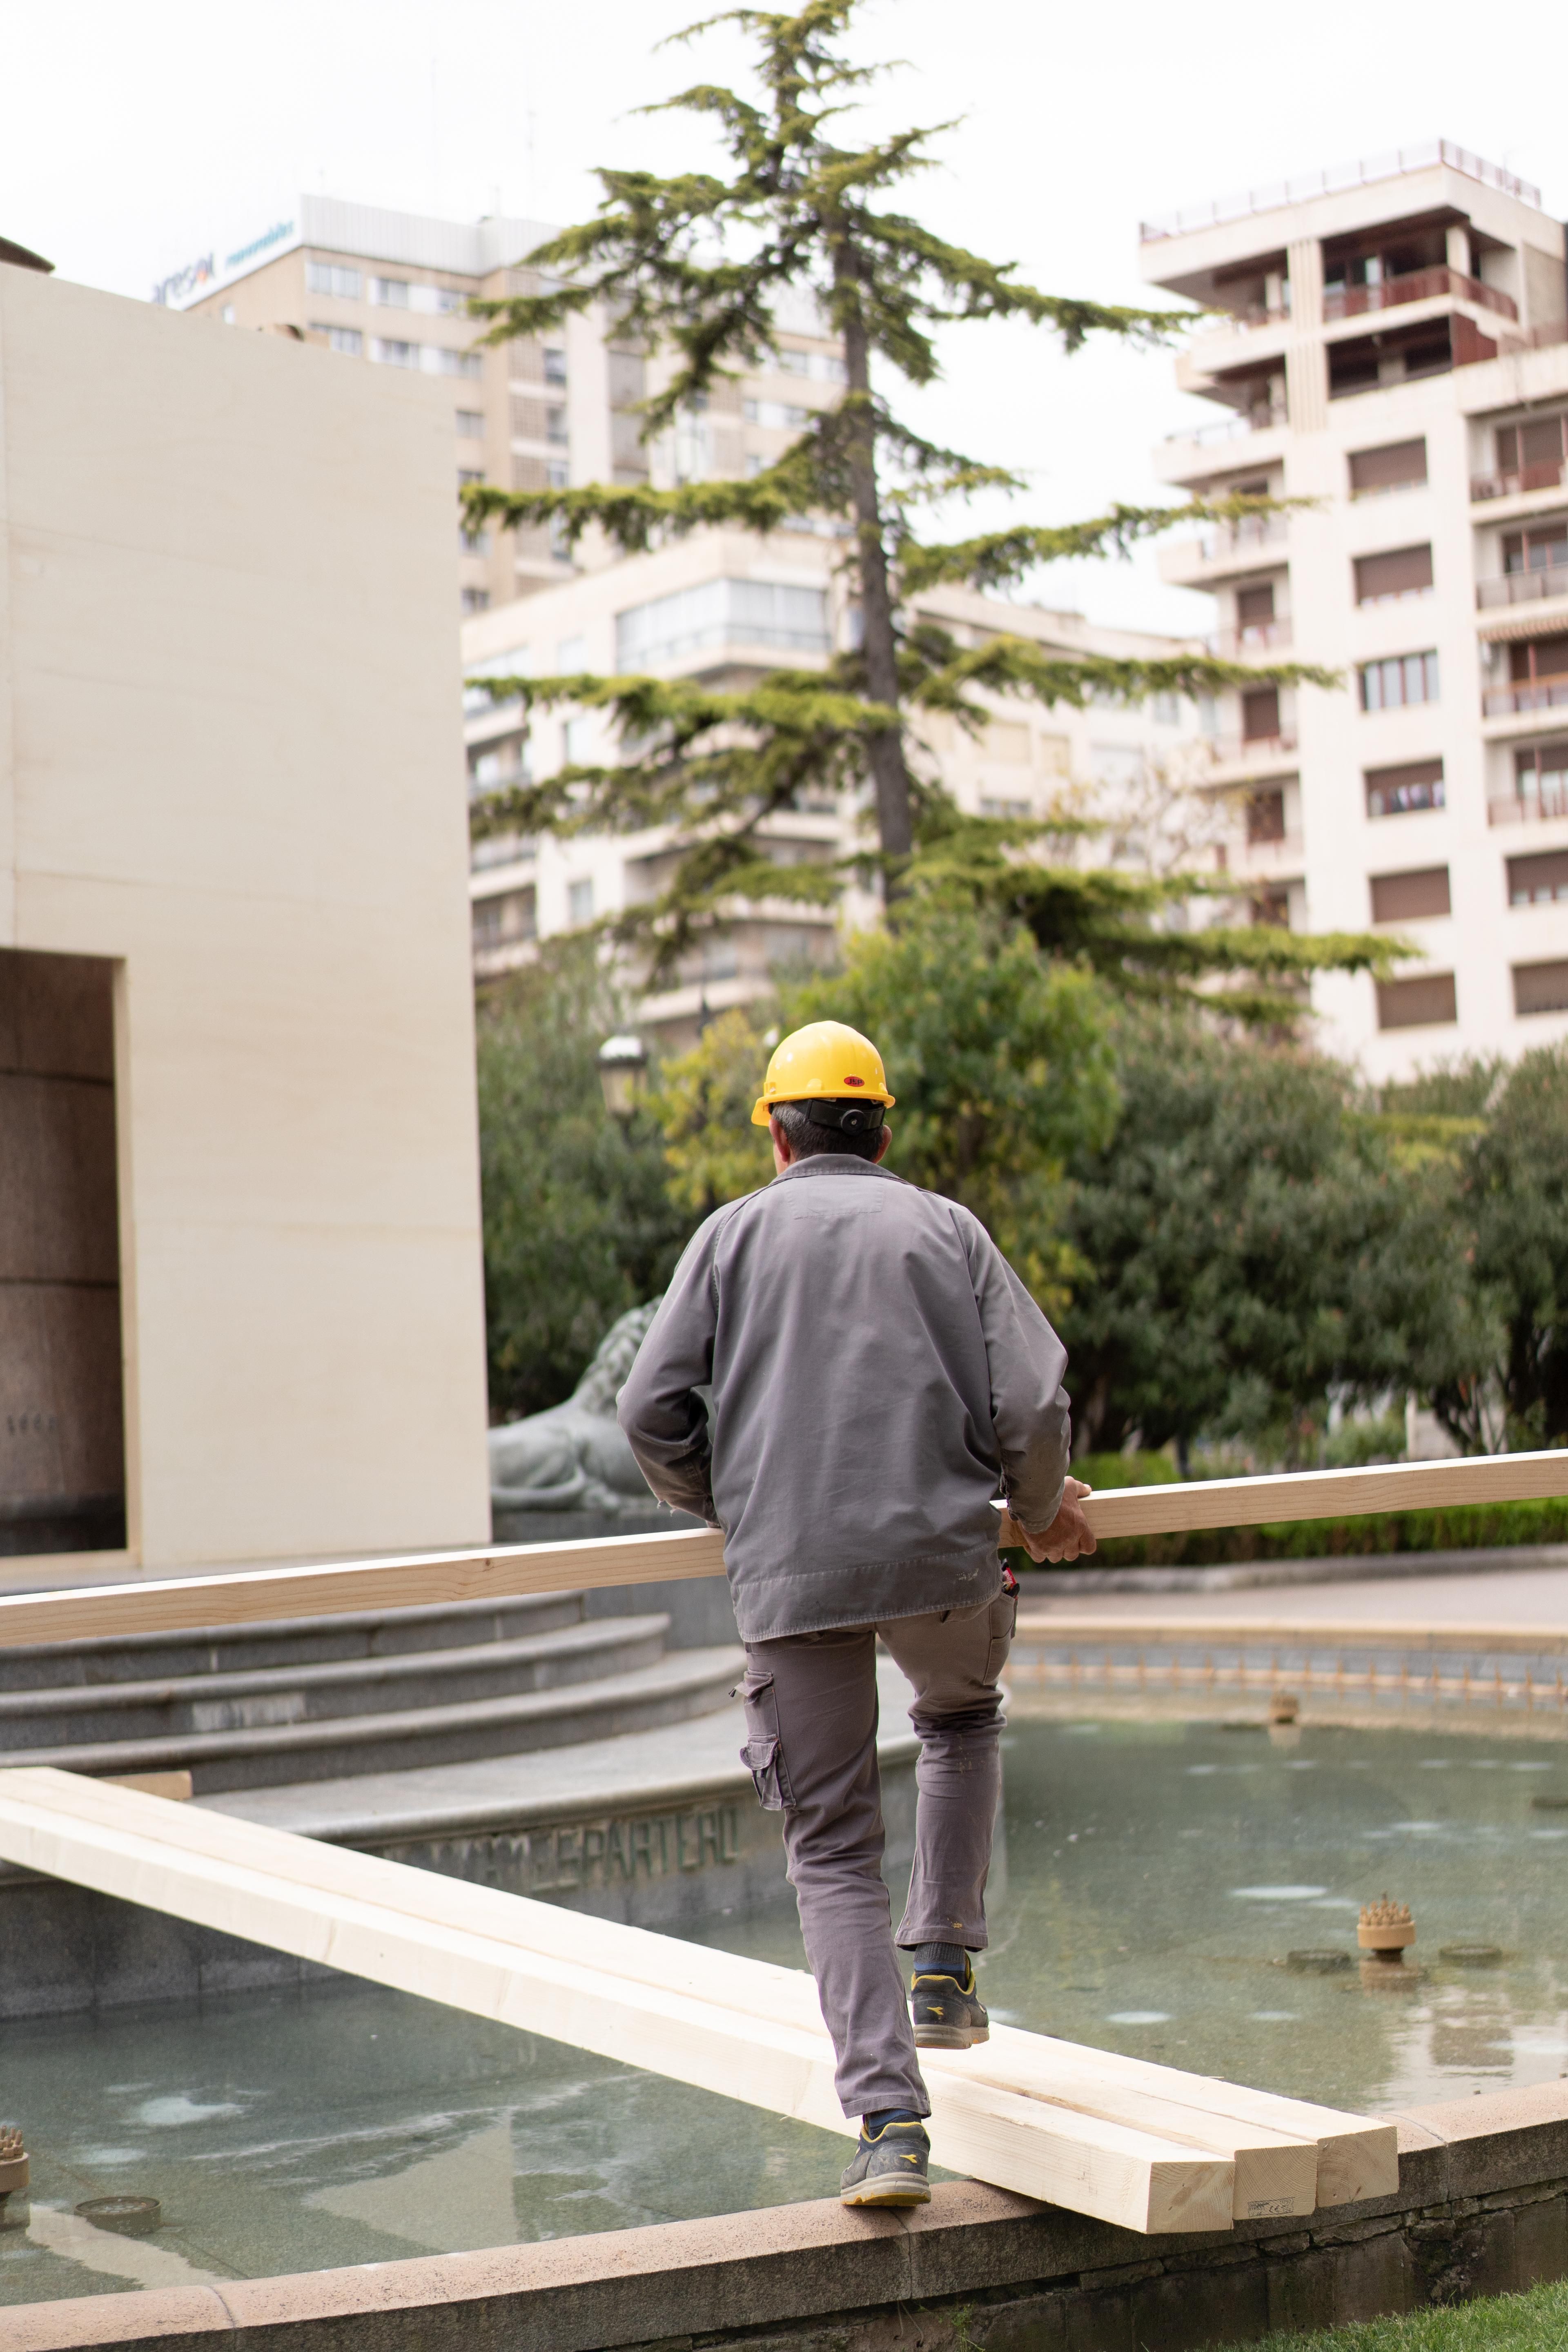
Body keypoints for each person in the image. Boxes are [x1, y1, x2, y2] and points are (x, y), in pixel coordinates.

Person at [617, 1018, 1095, 2207]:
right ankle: (941, 1963)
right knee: (961, 1716)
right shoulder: (946, 1228)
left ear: (776, 1139)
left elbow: (648, 1411)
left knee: (831, 1851)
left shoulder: (728, 1238)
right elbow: (1032, 1398)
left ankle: (889, 2125)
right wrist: (1037, 1507)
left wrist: (731, 1501)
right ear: (881, 1130)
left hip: (794, 1570)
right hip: (941, 1558)